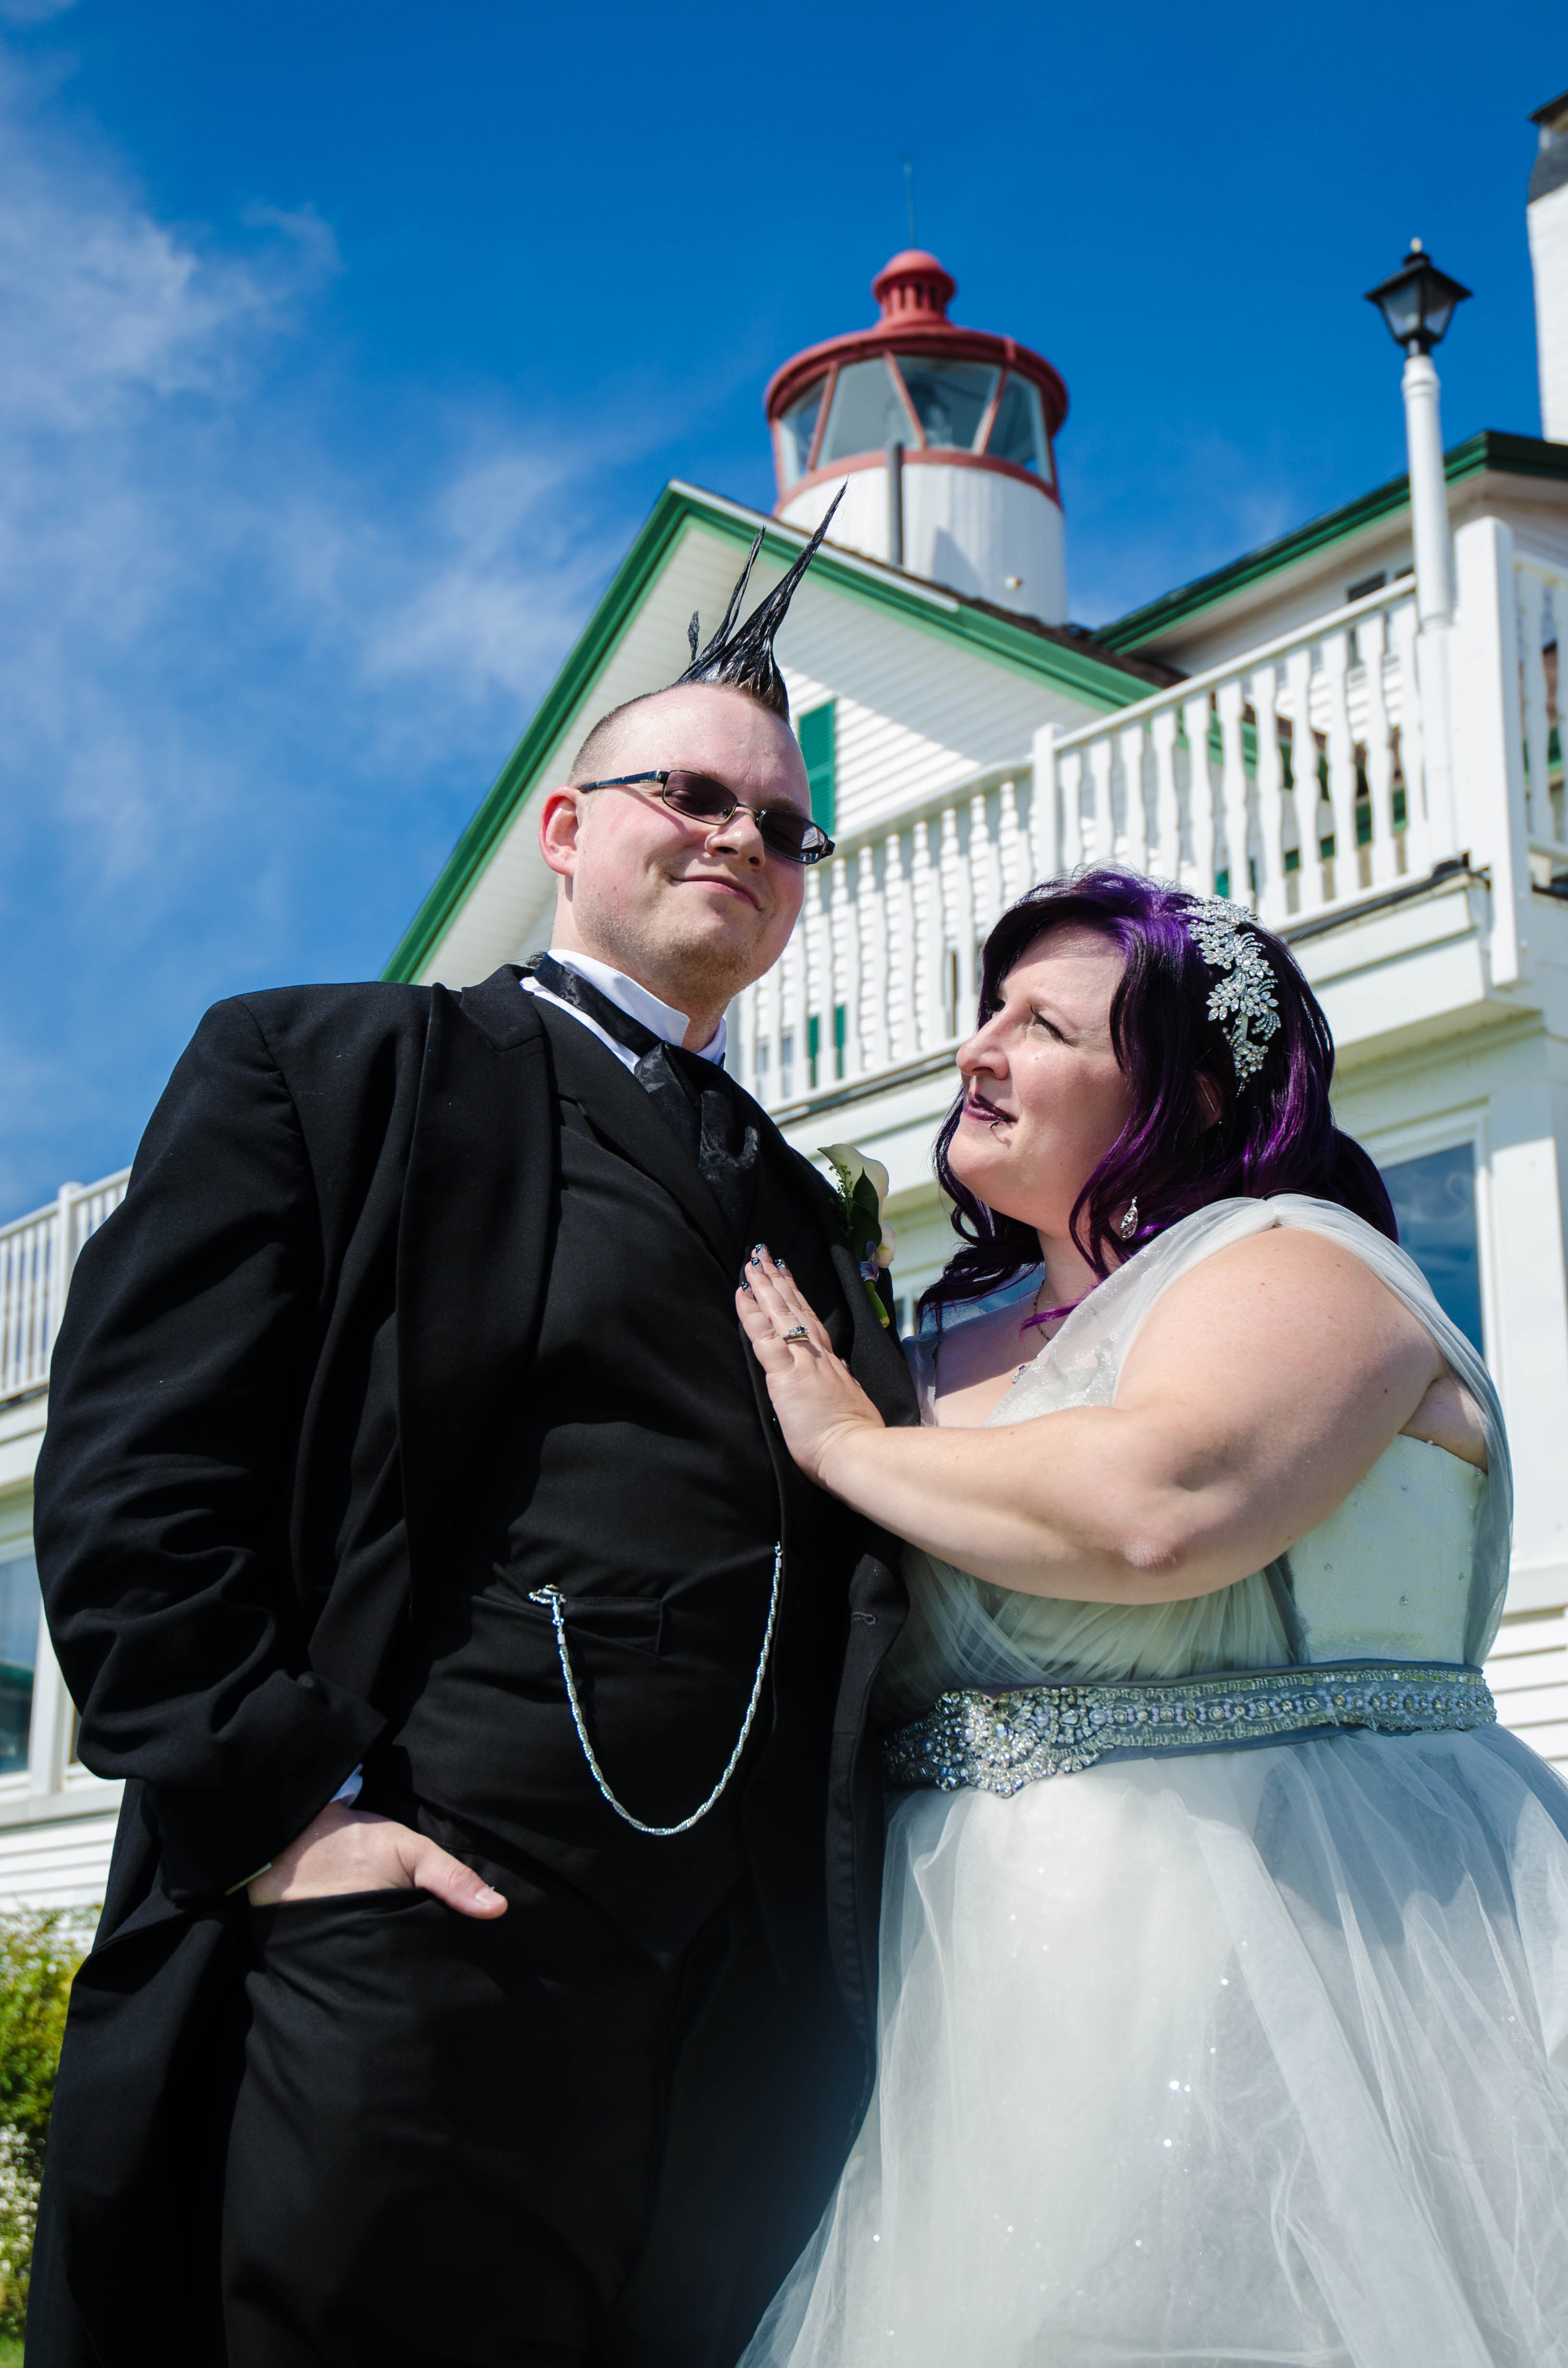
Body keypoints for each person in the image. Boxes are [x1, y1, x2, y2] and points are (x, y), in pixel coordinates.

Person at [29, 502, 919, 2368]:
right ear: (567, 827)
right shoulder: (330, 1069)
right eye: (694, 793)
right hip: (411, 1943)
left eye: (783, 823)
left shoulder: (813, 1210)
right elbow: (134, 1466)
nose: (743, 841)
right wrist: (285, 1815)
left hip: (728, 2023)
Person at [732, 867, 1568, 2368]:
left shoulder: (1302, 1264)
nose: (977, 1049)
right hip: (966, 1980)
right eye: (988, 1011)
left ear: (1177, 1100)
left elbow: (1164, 1501)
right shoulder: (930, 1340)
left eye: (1042, 1025)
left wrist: (851, 1450)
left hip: (1306, 1928)